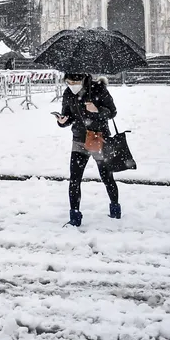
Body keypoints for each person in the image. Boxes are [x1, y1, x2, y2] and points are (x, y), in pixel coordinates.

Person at [55, 72, 120, 226]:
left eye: (74, 82)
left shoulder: (98, 89)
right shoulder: (68, 93)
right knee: (74, 180)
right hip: (79, 139)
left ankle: (115, 209)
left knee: (107, 177)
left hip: (99, 138)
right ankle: (75, 216)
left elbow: (113, 112)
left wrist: (97, 110)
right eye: (68, 82)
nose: (71, 85)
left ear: (82, 79)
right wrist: (63, 121)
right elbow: (68, 116)